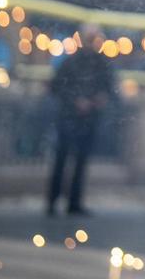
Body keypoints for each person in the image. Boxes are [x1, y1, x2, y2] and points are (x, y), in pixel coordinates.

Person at [45, 24, 116, 216]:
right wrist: (76, 101)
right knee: (63, 159)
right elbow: (57, 87)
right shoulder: (72, 62)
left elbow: (110, 88)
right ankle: (54, 201)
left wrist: (99, 99)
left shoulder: (100, 63)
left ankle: (72, 202)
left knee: (79, 162)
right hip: (70, 118)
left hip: (87, 119)